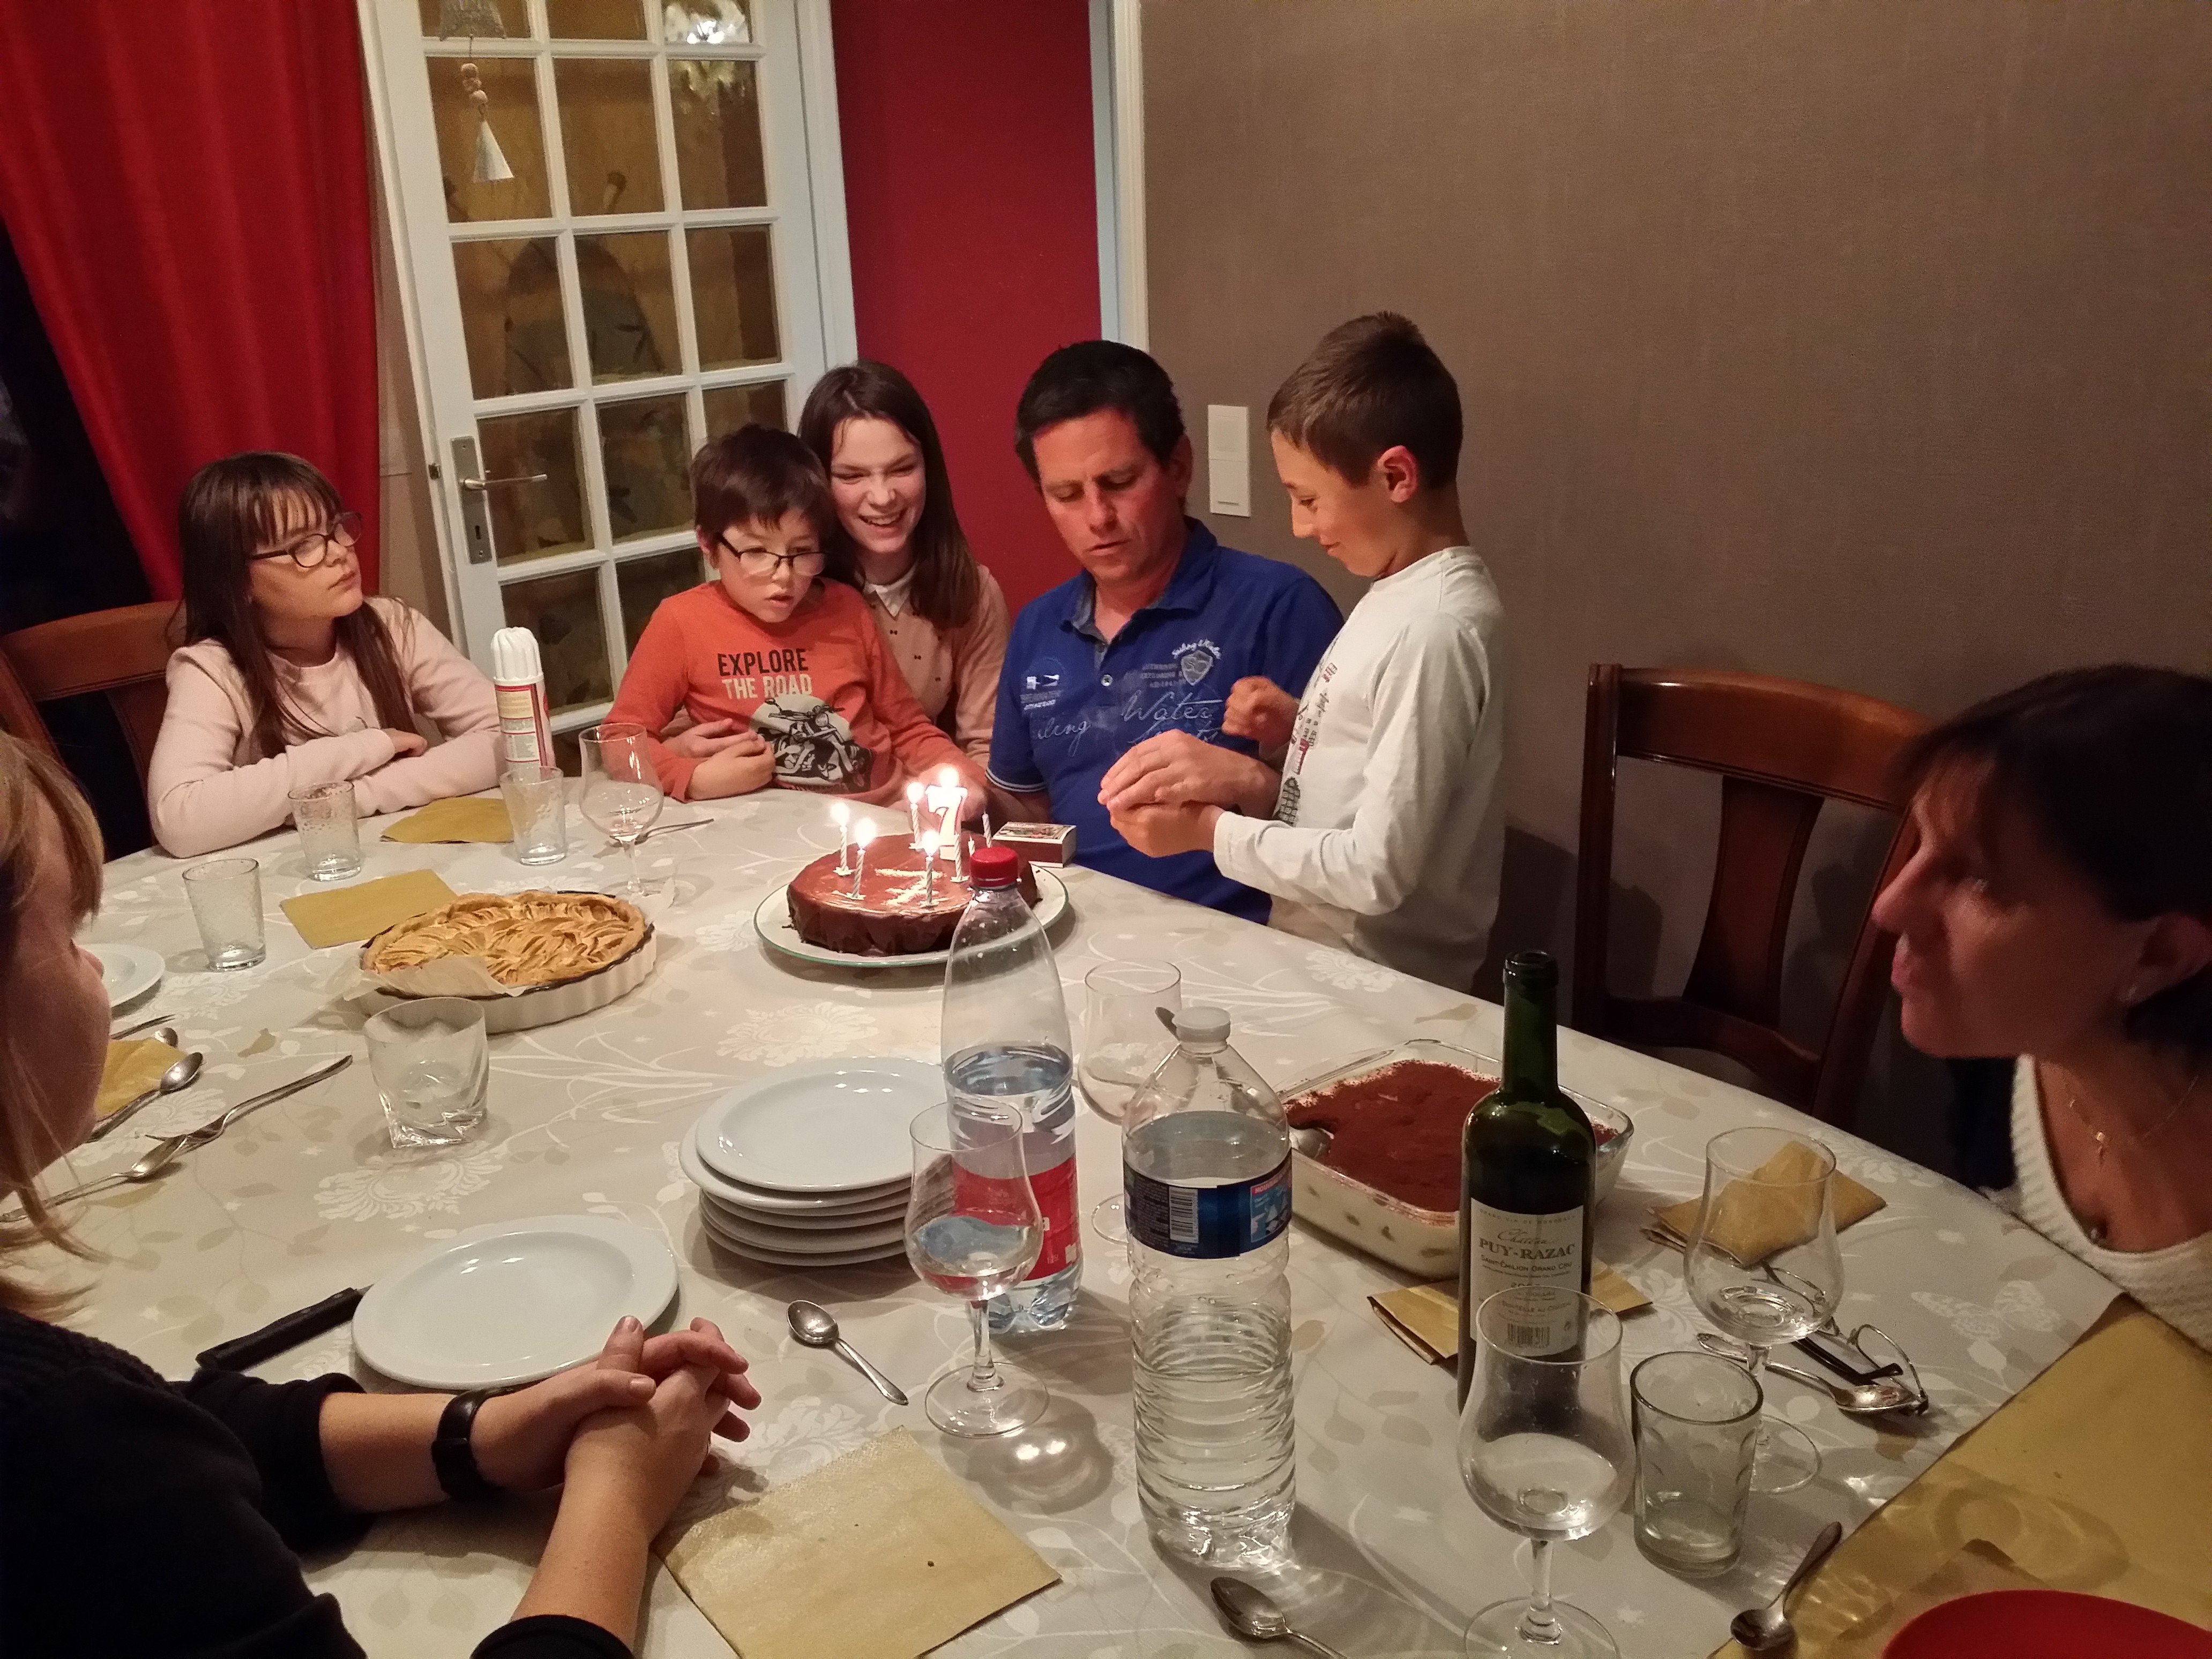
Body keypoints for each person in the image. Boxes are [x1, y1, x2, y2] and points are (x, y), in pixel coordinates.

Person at [0, 730, 761, 1655]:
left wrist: (482, 1433)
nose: (96, 971)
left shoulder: (75, 1430)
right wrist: (617, 1500)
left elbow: (176, 1422)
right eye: (71, 933)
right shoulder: (51, 1447)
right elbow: (107, 1462)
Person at [1097, 315, 1505, 990]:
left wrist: (1209, 833)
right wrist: (1300, 731)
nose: (1299, 526)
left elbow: (1376, 872)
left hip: (1380, 986)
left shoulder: (1437, 628)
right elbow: (1376, 768)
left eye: (1309, 499)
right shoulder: (1397, 593)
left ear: (1396, 475)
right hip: (1320, 958)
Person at [1871, 665, 2212, 1350]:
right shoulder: (2008, 1057)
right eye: (1919, 843)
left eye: (1980, 880)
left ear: (2158, 955)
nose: (1890, 907)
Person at [988, 341, 1341, 920]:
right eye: (1066, 495)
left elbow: (1350, 837)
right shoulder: (1037, 627)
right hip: (1073, 927)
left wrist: (1249, 779)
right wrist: (965, 801)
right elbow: (1027, 809)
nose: (1097, 517)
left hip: (1233, 939)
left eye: (1119, 482)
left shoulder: (1278, 606)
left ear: (1178, 467)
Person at [608, 425, 986, 807]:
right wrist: (693, 779)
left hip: (887, 809)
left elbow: (907, 728)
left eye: (802, 552)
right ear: (708, 543)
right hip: (773, 823)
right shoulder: (682, 622)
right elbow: (618, 740)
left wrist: (961, 777)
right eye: (757, 553)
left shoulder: (845, 607)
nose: (784, 576)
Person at [147, 452, 500, 858]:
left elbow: (512, 737)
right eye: (303, 545)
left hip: (398, 857)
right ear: (236, 581)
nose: (338, 553)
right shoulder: (213, 670)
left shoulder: (391, 626)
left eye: (335, 528)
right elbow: (180, 819)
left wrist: (350, 797)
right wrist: (368, 746)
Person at [798, 361, 1010, 765]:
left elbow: (988, 747)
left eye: (902, 469)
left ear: (929, 467)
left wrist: (956, 792)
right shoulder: (786, 587)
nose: (882, 497)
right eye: (852, 476)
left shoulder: (972, 591)